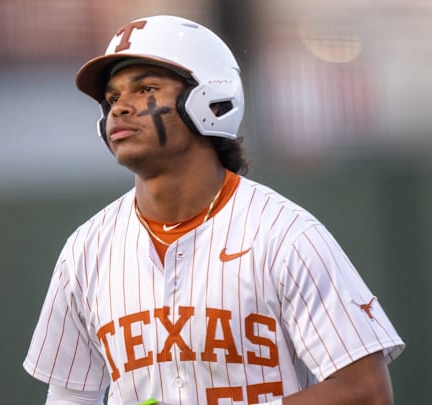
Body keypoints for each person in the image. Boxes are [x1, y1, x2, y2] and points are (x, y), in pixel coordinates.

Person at [23, 15, 404, 405]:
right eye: (113, 97)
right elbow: (71, 397)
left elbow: (366, 392)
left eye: (146, 88)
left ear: (209, 99)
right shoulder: (85, 250)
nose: (120, 108)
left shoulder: (284, 234)